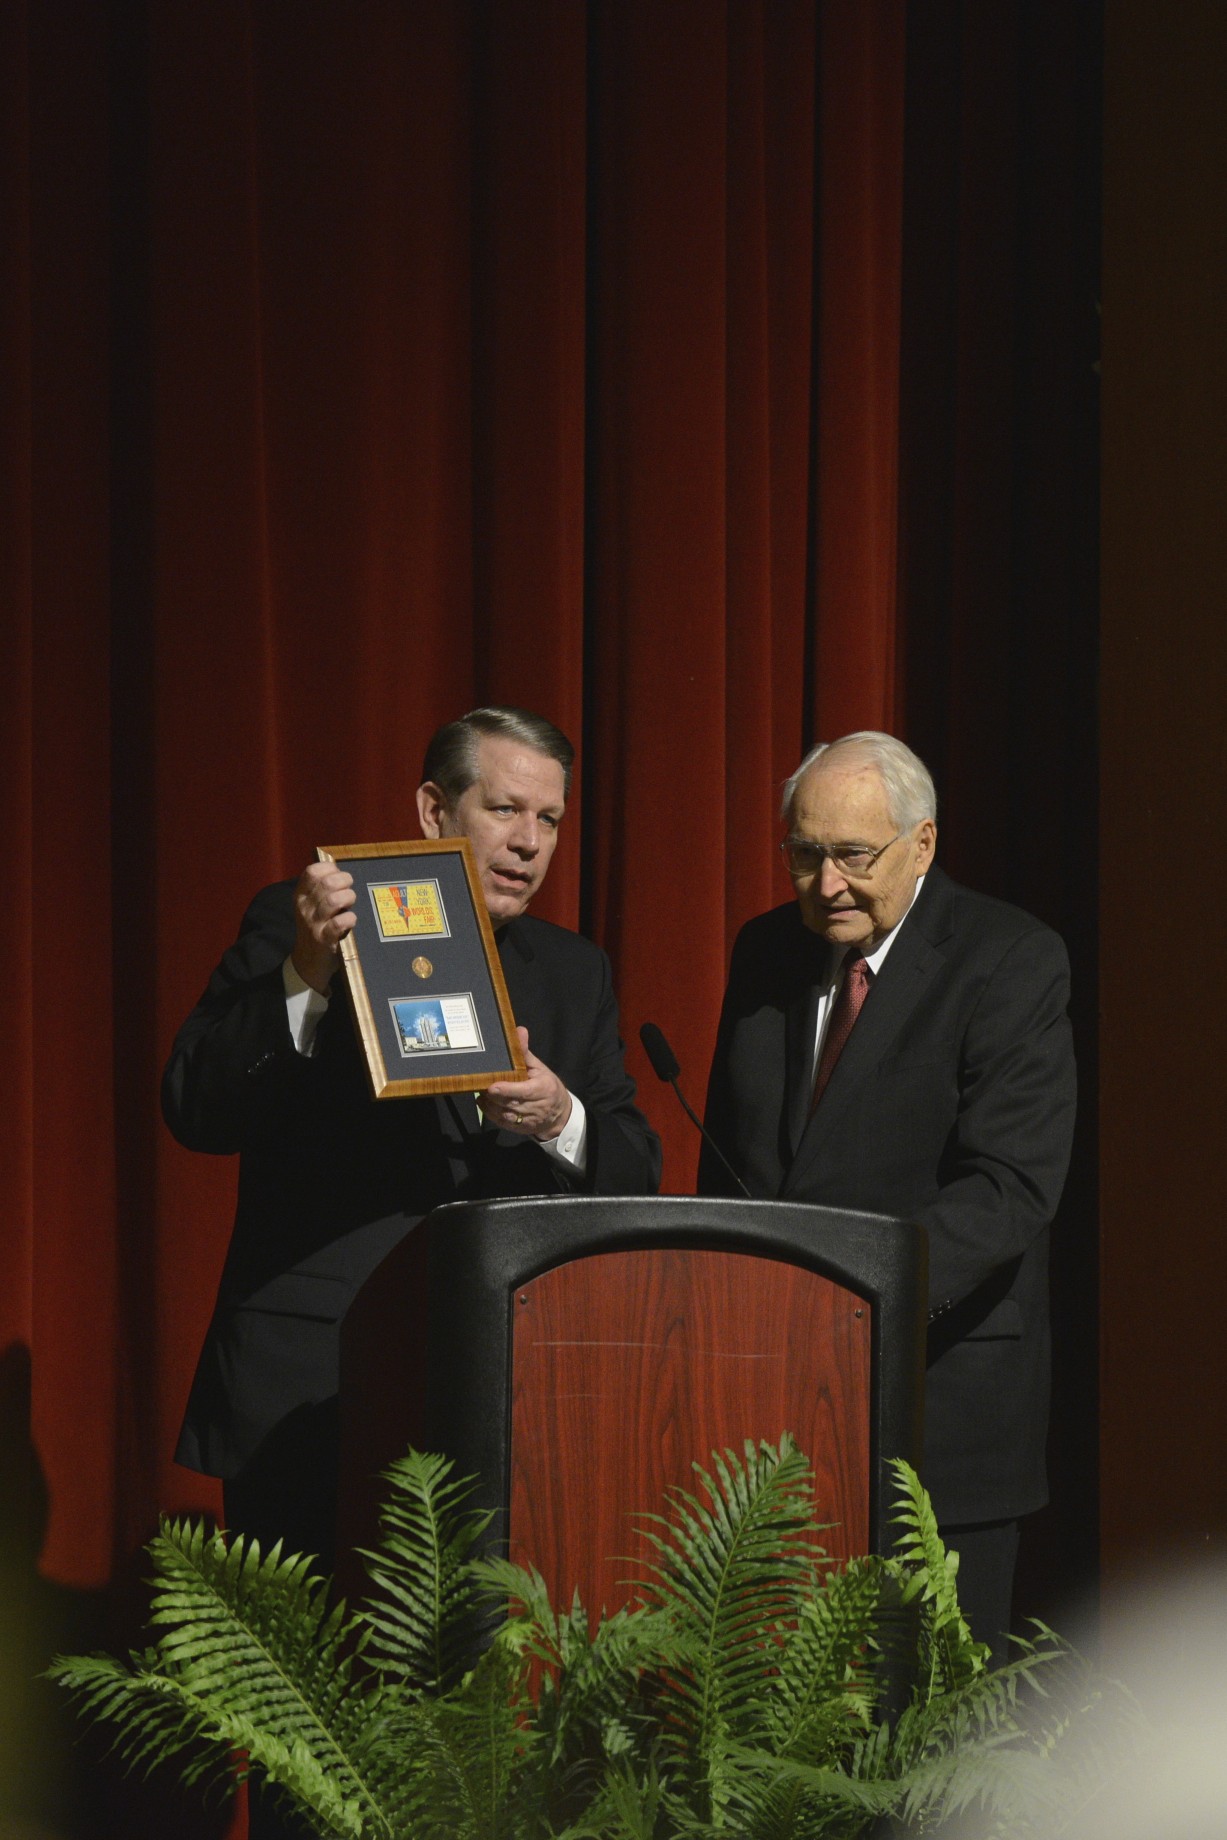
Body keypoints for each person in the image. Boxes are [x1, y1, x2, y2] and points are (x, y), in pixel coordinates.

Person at [164, 706, 661, 1576]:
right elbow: (196, 1110)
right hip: (313, 1387)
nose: (529, 842)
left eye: (548, 819)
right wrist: (306, 973)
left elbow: (634, 1164)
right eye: (504, 809)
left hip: (501, 1387)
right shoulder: (304, 926)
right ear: (434, 811)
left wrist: (559, 1116)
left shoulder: (572, 972)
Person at [700, 731, 1075, 1658]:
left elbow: (1008, 1188)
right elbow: (733, 1168)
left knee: (933, 1730)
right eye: (803, 855)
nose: (825, 884)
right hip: (773, 1416)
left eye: (852, 856)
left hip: (939, 1411)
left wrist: (848, 1298)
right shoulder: (765, 950)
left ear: (922, 845)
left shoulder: (1007, 957)